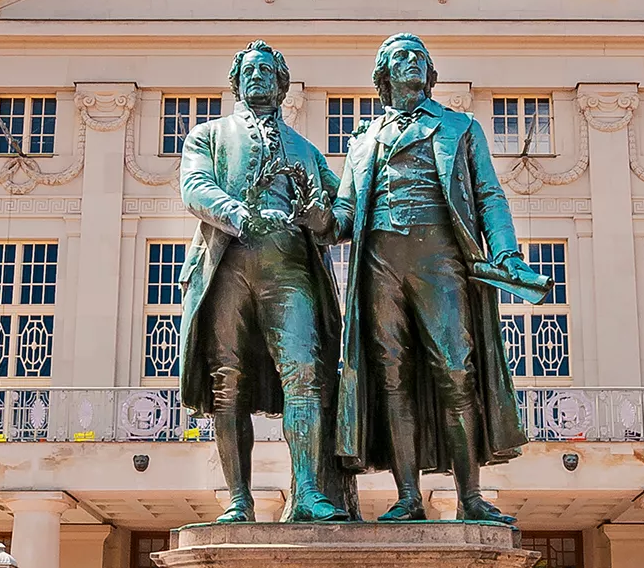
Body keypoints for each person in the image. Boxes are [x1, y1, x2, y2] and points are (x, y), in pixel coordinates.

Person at [331, 33, 532, 523]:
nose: (412, 61)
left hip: (440, 257)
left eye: (419, 56)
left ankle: (469, 498)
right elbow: (343, 212)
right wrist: (313, 215)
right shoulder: (365, 139)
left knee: (456, 370)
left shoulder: (460, 127)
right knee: (391, 374)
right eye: (401, 56)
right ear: (384, 75)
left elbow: (489, 195)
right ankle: (407, 497)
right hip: (380, 261)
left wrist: (504, 249)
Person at [178, 41, 350, 523]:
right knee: (226, 383)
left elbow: (343, 213)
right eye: (249, 71)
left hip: (290, 268)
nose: (258, 77)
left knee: (305, 374)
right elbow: (195, 186)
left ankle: (311, 493)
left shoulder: (307, 150)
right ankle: (238, 498)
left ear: (281, 84)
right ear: (236, 82)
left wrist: (322, 219)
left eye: (267, 71)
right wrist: (237, 213)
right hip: (227, 266)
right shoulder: (207, 135)